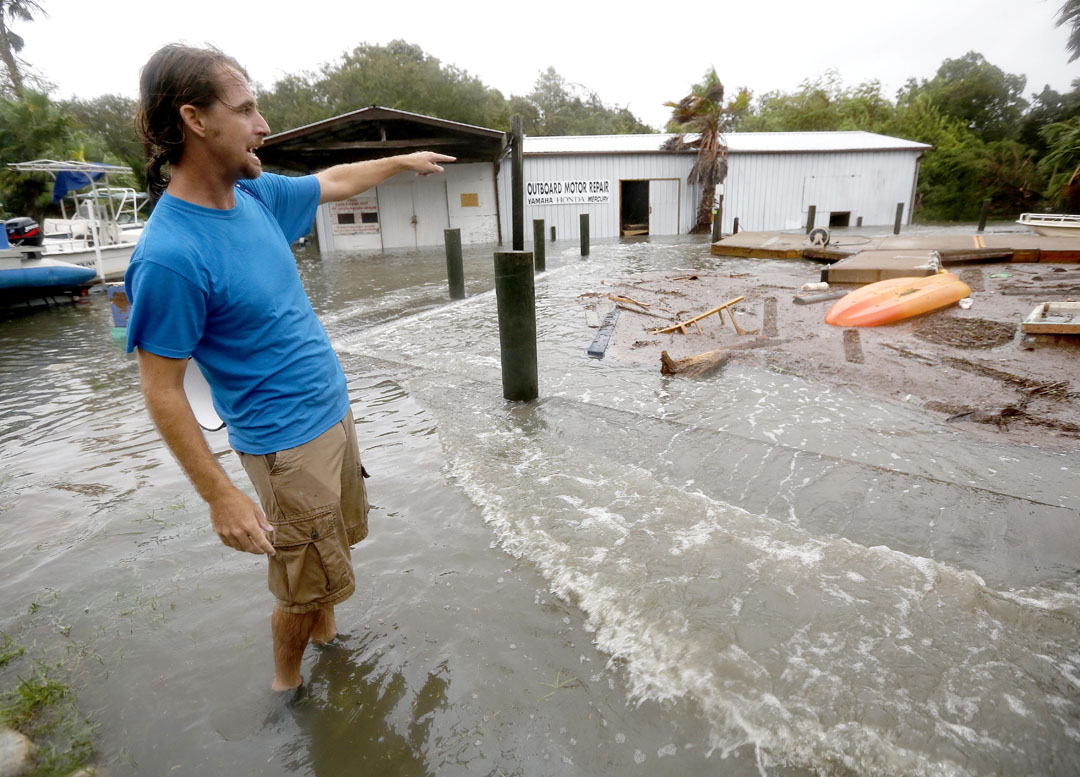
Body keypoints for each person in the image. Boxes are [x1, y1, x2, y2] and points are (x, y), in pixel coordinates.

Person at [125, 44, 454, 691]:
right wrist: (221, 495)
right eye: (245, 108)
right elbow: (161, 390)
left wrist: (400, 160)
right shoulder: (170, 253)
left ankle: (332, 650)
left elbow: (333, 184)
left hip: (332, 419)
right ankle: (288, 693)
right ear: (195, 119)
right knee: (299, 586)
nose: (263, 123)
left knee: (327, 560)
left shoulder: (254, 196)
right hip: (283, 447)